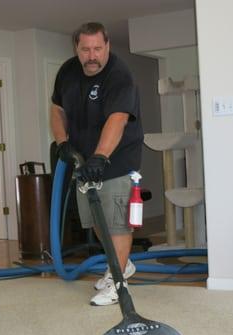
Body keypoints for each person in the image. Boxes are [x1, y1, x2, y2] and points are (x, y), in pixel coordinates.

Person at [50, 22, 143, 306]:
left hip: (116, 158)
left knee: (116, 224)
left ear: (108, 47)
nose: (92, 56)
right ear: (76, 48)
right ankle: (121, 266)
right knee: (97, 221)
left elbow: (118, 119)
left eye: (97, 49)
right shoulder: (67, 71)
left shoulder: (119, 75)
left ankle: (119, 283)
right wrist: (63, 141)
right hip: (82, 160)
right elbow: (56, 109)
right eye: (85, 49)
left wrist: (101, 156)